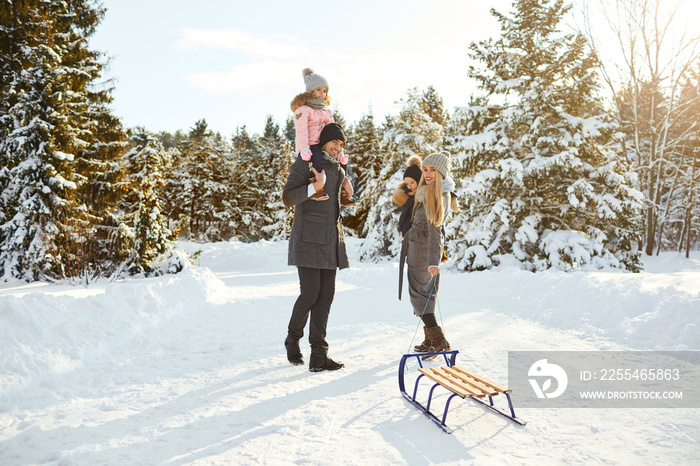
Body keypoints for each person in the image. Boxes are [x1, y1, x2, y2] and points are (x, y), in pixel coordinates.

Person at [282, 122, 350, 372]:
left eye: (341, 144)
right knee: (310, 295)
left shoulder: (338, 168)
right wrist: (315, 187)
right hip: (308, 239)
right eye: (334, 142)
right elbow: (288, 197)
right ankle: (292, 340)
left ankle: (319, 355)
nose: (337, 147)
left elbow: (332, 205)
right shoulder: (306, 162)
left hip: (331, 241)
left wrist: (344, 194)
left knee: (325, 299)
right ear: (322, 141)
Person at [399, 151, 456, 354]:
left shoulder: (435, 194)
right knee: (425, 296)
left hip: (423, 252)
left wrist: (434, 261)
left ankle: (438, 340)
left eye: (433, 170)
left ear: (441, 173)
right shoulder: (429, 190)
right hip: (418, 248)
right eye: (426, 169)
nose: (428, 173)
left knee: (419, 295)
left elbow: (436, 231)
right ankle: (430, 339)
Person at [291, 68, 355, 206]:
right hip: (310, 145)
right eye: (319, 90)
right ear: (311, 91)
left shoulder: (325, 111)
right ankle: (315, 188)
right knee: (317, 158)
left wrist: (340, 152)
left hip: (323, 143)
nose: (322, 93)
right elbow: (301, 131)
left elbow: (333, 131)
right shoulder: (303, 110)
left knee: (342, 163)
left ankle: (342, 193)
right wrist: (303, 149)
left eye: (325, 91)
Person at [393, 155, 423, 238]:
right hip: (407, 232)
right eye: (407, 183)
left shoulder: (422, 197)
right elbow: (405, 215)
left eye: (412, 183)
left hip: (417, 235)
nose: (409, 186)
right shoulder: (407, 196)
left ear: (418, 180)